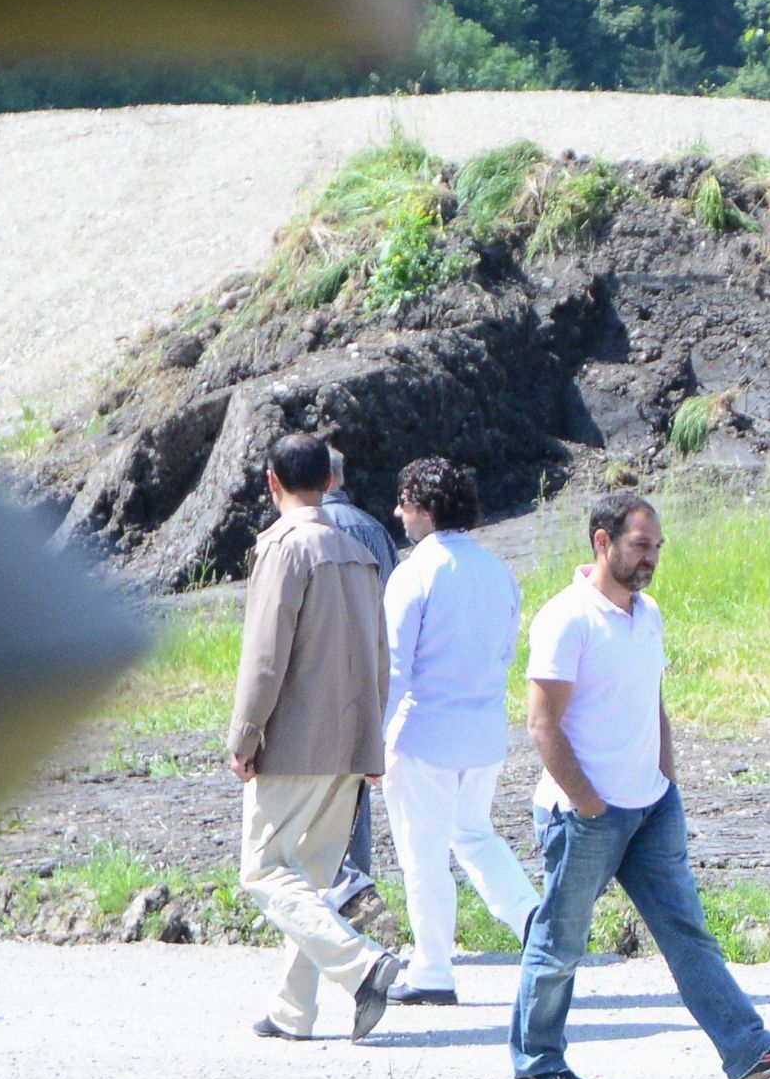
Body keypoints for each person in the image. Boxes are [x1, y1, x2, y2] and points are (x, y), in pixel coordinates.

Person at [509, 491, 770, 1079]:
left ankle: (748, 1049)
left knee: (687, 933)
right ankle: (539, 1064)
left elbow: (652, 703)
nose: (650, 557)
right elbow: (542, 724)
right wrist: (589, 803)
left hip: (652, 809)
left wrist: (667, 784)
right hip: (584, 817)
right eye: (639, 545)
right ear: (602, 541)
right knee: (560, 943)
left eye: (656, 547)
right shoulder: (565, 618)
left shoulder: (647, 613)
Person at [229, 430, 405, 1039]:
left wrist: (245, 735)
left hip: (294, 742)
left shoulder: (283, 547)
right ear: (330, 481)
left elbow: (265, 654)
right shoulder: (358, 551)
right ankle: (292, 1010)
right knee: (311, 879)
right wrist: (372, 740)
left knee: (263, 872)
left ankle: (361, 964)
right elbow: (380, 655)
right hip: (352, 738)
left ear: (272, 482)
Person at [377, 454, 541, 1006]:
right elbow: (504, 653)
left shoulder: (414, 573)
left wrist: (374, 742)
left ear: (424, 507)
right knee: (473, 833)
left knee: (422, 854)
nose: (398, 513)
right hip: (485, 732)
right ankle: (532, 919)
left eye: (404, 502)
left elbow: (394, 668)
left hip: (423, 733)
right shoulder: (498, 570)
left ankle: (432, 970)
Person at [317, 443, 399, 918]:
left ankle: (338, 897)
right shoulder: (376, 530)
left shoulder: (307, 531)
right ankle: (357, 891)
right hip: (372, 672)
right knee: (355, 794)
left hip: (323, 677)